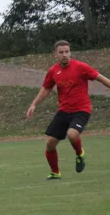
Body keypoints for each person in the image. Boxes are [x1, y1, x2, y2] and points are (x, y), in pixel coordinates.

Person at [26, 40, 110, 179]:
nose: (65, 55)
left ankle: (79, 154)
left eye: (67, 52)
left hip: (81, 110)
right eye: (61, 52)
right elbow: (46, 89)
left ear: (70, 52)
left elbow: (101, 79)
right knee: (50, 144)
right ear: (55, 54)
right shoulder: (53, 71)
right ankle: (55, 173)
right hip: (64, 111)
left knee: (72, 134)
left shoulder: (81, 67)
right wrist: (34, 104)